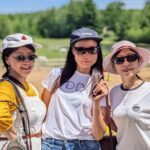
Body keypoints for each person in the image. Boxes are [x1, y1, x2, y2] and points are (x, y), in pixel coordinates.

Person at [41, 27, 108, 150]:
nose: (86, 55)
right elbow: (42, 110)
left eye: (92, 50)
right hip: (52, 144)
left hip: (86, 145)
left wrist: (97, 102)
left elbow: (99, 135)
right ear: (72, 51)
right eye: (80, 50)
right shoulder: (56, 75)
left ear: (98, 51)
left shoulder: (99, 83)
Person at [0, 33, 46, 150]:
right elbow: (1, 117)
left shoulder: (31, 87)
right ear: (7, 59)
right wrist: (14, 139)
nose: (27, 62)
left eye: (31, 57)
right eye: (20, 57)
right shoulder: (6, 87)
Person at [103, 40, 150, 150]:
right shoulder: (113, 92)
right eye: (119, 60)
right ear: (114, 66)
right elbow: (120, 126)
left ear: (139, 61)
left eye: (131, 57)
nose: (126, 63)